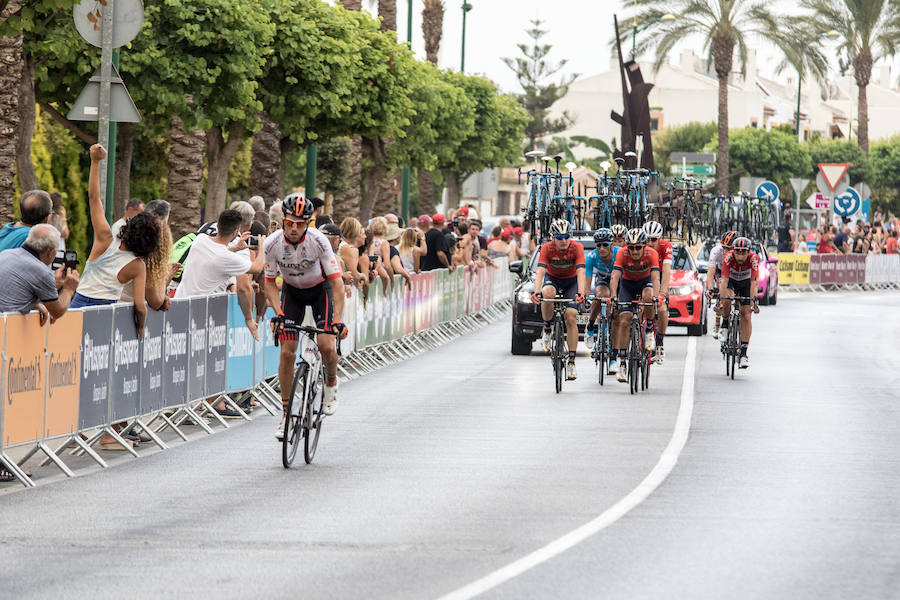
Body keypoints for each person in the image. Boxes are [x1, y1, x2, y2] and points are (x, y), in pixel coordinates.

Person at [264, 194, 347, 439]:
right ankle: (286, 414)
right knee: (287, 351)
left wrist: (337, 320)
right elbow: (269, 283)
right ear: (283, 220)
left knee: (325, 345)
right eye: (289, 222)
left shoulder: (319, 242)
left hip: (320, 291)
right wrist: (277, 313)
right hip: (292, 293)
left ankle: (331, 382)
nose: (293, 228)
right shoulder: (272, 244)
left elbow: (337, 283)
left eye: (300, 224)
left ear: (308, 223)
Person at [71, 145, 161, 341]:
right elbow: (139, 306)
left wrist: (95, 162)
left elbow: (94, 199)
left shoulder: (104, 238)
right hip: (104, 312)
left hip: (77, 304)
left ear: (128, 226)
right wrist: (141, 327)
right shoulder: (138, 266)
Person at [531, 219, 586, 381]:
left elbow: (581, 271)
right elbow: (540, 271)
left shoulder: (577, 247)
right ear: (552, 238)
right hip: (553, 279)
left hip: (572, 282)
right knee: (547, 293)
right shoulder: (546, 248)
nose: (563, 241)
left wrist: (581, 293)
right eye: (559, 237)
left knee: (570, 317)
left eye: (567, 236)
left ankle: (571, 361)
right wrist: (536, 292)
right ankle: (547, 328)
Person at [609, 228, 660, 383]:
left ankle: (650, 328)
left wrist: (657, 296)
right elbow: (615, 277)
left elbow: (656, 277)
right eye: (631, 247)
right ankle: (623, 362)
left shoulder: (652, 254)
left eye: (638, 247)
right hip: (627, 286)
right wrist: (613, 296)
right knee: (624, 320)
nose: (634, 251)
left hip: (645, 283)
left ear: (644, 246)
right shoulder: (622, 254)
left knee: (648, 296)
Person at [0, 224, 79, 322]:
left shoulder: (6, 254)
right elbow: (57, 312)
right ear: (51, 253)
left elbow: (15, 292)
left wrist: (34, 304)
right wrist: (69, 289)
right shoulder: (43, 272)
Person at [718, 237, 760, 369]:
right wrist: (721, 299)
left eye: (743, 252)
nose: (740, 256)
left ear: (748, 252)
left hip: (746, 283)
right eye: (738, 252)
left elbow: (754, 282)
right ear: (733, 251)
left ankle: (743, 354)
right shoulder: (728, 257)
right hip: (731, 281)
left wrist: (753, 302)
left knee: (746, 314)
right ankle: (725, 323)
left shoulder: (753, 259)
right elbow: (724, 281)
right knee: (727, 300)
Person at [583, 228, 619, 374]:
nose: (602, 248)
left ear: (611, 244)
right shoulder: (592, 257)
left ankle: (613, 359)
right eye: (598, 245)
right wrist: (585, 296)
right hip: (603, 279)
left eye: (605, 244)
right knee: (600, 296)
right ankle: (591, 326)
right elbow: (587, 280)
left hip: (619, 279)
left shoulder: (619, 253)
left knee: (616, 316)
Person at [643, 221, 673, 364]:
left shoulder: (666, 247)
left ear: (660, 238)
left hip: (660, 275)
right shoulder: (640, 246)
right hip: (644, 275)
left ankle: (659, 341)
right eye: (647, 239)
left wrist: (661, 293)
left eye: (653, 239)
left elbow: (666, 271)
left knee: (661, 309)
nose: (649, 242)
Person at [706, 231, 737, 339]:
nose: (725, 251)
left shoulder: (741, 253)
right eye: (724, 247)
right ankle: (718, 323)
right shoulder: (716, 251)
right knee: (722, 291)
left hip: (735, 273)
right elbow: (710, 273)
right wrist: (710, 289)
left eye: (729, 249)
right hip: (720, 272)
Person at [385, 223, 412, 288]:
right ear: (396, 237)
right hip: (391, 285)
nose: (401, 237)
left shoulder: (383, 248)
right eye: (399, 235)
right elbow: (398, 269)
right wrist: (407, 276)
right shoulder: (392, 250)